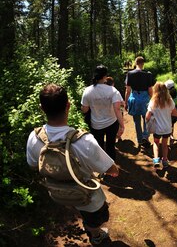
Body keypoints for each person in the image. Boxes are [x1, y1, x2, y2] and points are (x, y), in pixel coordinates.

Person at [26, 83, 119, 246]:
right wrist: (113, 171)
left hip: (57, 193)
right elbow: (112, 170)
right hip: (88, 198)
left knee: (80, 210)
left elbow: (34, 165)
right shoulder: (84, 141)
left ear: (41, 108)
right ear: (68, 105)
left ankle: (91, 228)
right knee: (98, 217)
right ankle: (95, 234)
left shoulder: (34, 138)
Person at [81, 65, 124, 162]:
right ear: (105, 76)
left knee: (99, 147)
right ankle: (111, 168)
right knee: (110, 146)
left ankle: (101, 168)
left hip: (96, 124)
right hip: (112, 123)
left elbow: (85, 110)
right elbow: (117, 109)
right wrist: (122, 125)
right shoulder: (113, 91)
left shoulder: (87, 91)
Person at [146, 82, 177, 168]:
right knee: (165, 144)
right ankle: (165, 160)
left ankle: (156, 159)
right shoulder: (169, 101)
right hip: (167, 128)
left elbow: (147, 116)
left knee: (156, 143)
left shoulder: (153, 102)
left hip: (157, 128)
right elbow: (175, 114)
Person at [125, 56, 153, 148]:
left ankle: (140, 139)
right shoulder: (148, 74)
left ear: (135, 63)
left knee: (136, 121)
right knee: (146, 119)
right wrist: (152, 100)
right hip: (145, 99)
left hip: (135, 99)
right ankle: (145, 136)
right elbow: (150, 89)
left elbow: (128, 90)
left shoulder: (130, 74)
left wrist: (125, 102)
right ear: (143, 63)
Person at [165, 79, 177, 145]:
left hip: (167, 110)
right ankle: (171, 136)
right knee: (172, 124)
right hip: (175, 110)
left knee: (166, 123)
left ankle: (167, 136)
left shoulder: (166, 95)